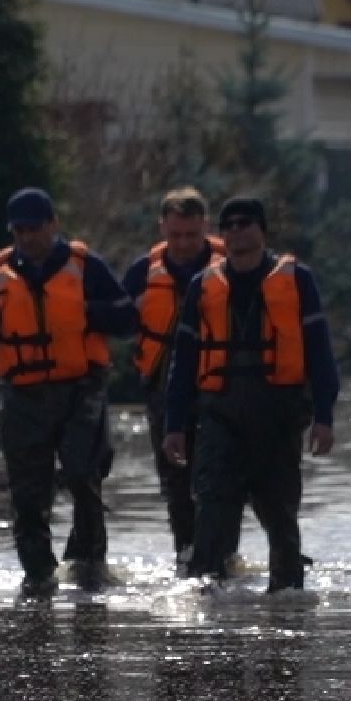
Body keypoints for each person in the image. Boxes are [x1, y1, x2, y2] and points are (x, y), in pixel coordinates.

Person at [0, 187, 137, 594]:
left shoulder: (84, 266)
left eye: (33, 228)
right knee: (28, 491)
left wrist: (85, 315)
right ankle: (38, 575)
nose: (26, 237)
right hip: (22, 395)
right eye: (18, 230)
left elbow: (128, 318)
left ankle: (89, 564)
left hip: (81, 388)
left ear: (52, 225)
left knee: (81, 473)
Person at [161, 197, 339, 592]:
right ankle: (206, 607)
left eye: (246, 223)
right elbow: (184, 362)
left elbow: (320, 354)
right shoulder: (203, 286)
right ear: (221, 234)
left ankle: (288, 604)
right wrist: (174, 424)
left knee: (279, 515)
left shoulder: (296, 281)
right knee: (210, 509)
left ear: (262, 230)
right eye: (230, 225)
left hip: (278, 416)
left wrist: (325, 416)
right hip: (219, 417)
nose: (238, 230)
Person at [119, 187, 225, 571]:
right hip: (164, 383)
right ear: (162, 227)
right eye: (175, 235)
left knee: (220, 478)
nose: (183, 244)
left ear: (206, 229)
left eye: (192, 236)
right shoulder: (143, 272)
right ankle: (187, 556)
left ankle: (218, 556)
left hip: (220, 383)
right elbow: (111, 320)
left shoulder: (231, 264)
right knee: (175, 478)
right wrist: (134, 312)